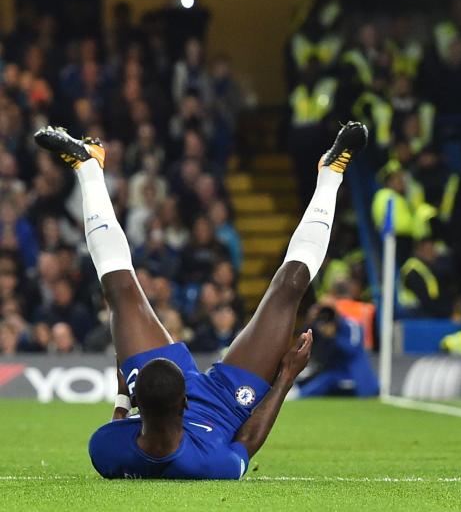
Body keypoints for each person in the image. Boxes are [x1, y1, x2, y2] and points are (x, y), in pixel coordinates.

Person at [34, 120, 367, 479]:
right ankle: (331, 173)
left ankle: (88, 164)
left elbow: (118, 425)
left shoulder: (105, 448)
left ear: (137, 408)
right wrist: (285, 377)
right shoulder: (211, 465)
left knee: (118, 288)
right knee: (291, 286)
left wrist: (120, 398)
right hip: (226, 404)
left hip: (157, 387)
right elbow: (248, 440)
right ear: (185, 402)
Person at [290, 304, 378, 398]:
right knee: (318, 377)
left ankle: (299, 394)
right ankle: (298, 390)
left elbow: (352, 350)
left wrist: (333, 337)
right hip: (334, 371)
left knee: (327, 380)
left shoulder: (350, 325)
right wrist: (310, 321)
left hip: (354, 375)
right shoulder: (318, 327)